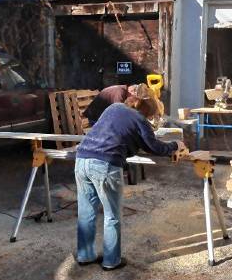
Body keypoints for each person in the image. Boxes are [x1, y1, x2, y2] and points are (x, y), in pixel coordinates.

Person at [74, 84, 185, 270]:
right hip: (105, 164)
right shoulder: (140, 120)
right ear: (147, 109)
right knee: (112, 216)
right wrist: (175, 145)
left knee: (86, 212)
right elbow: (155, 147)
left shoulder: (113, 107)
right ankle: (111, 261)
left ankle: (85, 255)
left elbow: (114, 132)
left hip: (82, 159)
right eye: (151, 114)